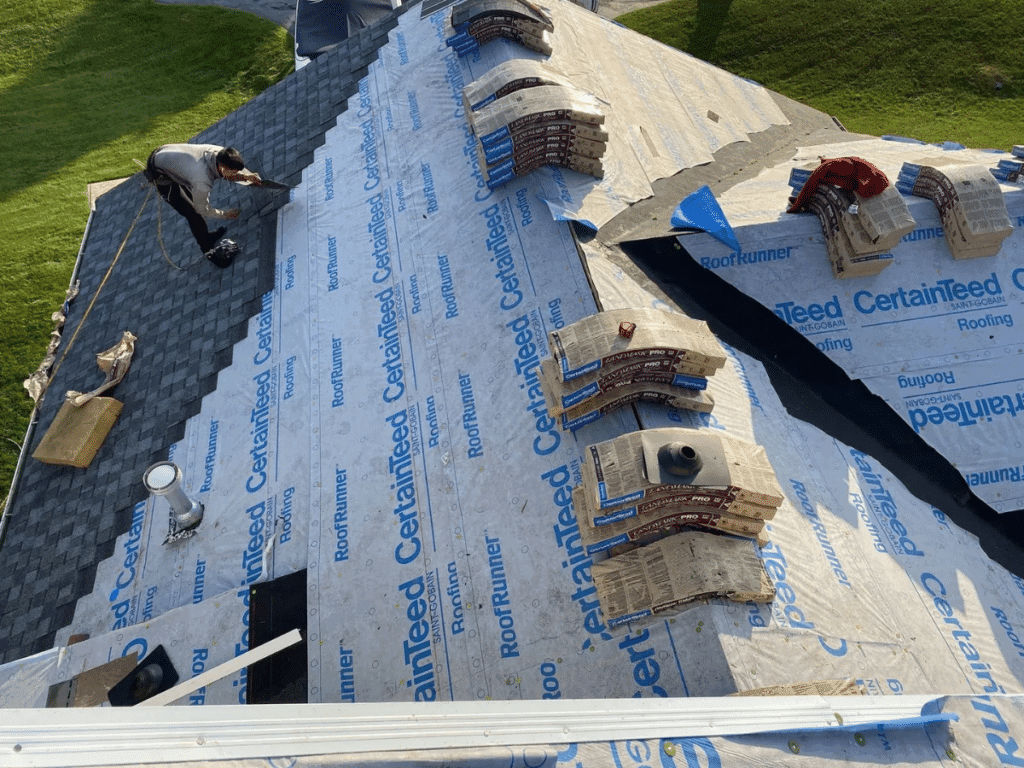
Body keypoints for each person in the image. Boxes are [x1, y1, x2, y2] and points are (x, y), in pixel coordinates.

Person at [145, 144, 263, 259]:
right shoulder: (202, 179)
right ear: (222, 167)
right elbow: (202, 208)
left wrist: (246, 177)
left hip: (175, 160)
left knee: (194, 199)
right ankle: (208, 251)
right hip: (161, 174)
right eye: (233, 172)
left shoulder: (223, 154)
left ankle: (206, 236)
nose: (235, 174)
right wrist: (225, 215)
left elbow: (228, 173)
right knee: (194, 214)